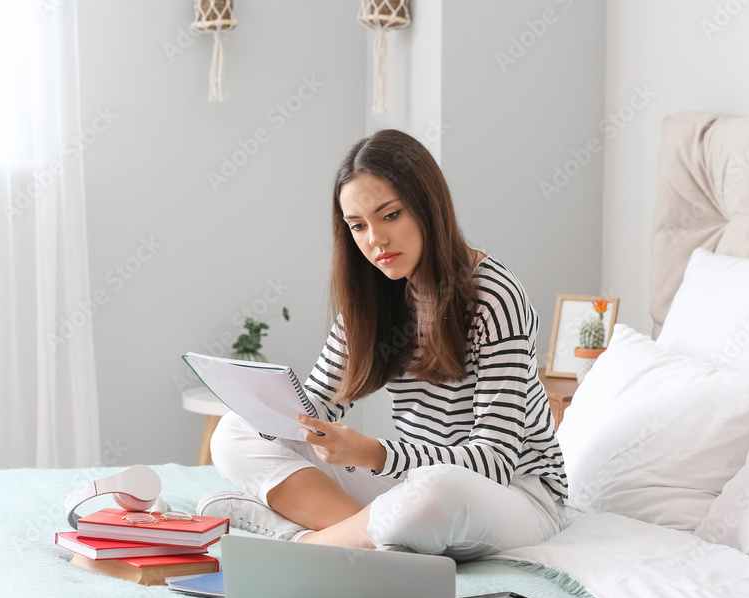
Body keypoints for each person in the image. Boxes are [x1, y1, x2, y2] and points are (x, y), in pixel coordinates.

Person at [197, 129, 567, 560]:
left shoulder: (494, 295)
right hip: (412, 481)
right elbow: (317, 408)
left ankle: (300, 542)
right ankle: (371, 533)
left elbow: (495, 461)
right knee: (232, 433)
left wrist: (374, 453)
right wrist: (265, 411)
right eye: (358, 226)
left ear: (428, 205)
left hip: (516, 494)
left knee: (437, 494)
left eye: (390, 215)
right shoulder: (377, 294)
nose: (375, 240)